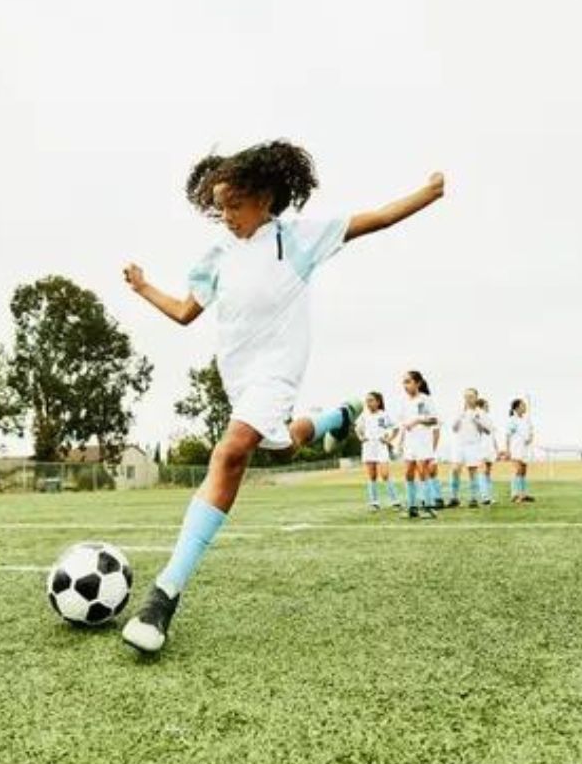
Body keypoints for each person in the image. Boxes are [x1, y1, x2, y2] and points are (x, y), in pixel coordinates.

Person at [120, 141, 445, 653]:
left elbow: (375, 219)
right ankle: (334, 417)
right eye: (219, 205)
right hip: (239, 379)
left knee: (228, 454)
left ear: (265, 197)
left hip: (277, 375)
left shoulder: (298, 239)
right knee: (281, 448)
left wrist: (428, 192)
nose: (225, 215)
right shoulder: (217, 256)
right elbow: (186, 312)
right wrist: (143, 288)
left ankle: (163, 598)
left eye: (235, 204)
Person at [396, 370, 440, 520]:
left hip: (423, 441)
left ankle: (428, 507)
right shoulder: (403, 402)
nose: (405, 385)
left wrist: (418, 420)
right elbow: (402, 425)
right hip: (409, 443)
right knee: (408, 473)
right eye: (404, 382)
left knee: (423, 472)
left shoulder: (425, 399)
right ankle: (412, 507)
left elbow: (434, 420)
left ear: (418, 383)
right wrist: (400, 442)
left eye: (408, 381)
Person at [356, 391, 401, 511]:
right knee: (372, 476)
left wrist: (389, 439)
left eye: (371, 400)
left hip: (381, 448)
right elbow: (357, 429)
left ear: (378, 402)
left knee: (385, 474)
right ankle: (374, 502)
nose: (368, 403)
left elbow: (396, 428)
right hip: (368, 447)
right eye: (367, 401)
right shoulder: (364, 415)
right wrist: (361, 437)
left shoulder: (384, 415)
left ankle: (395, 501)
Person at [451, 388, 492, 508]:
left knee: (472, 471)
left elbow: (488, 430)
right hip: (459, 444)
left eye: (471, 396)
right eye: (466, 396)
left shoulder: (480, 412)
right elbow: (453, 428)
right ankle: (454, 497)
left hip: (473, 445)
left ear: (476, 397)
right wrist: (459, 417)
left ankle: (473, 498)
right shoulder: (459, 411)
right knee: (455, 469)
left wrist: (478, 421)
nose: (468, 399)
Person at [505, 397, 536, 503]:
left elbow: (530, 432)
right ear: (517, 408)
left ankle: (523, 494)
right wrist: (508, 450)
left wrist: (531, 437)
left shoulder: (526, 420)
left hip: (524, 449)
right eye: (523, 405)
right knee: (517, 470)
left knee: (523, 471)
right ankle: (515, 494)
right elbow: (508, 436)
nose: (525, 407)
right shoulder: (512, 420)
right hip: (515, 448)